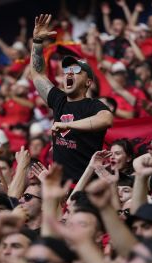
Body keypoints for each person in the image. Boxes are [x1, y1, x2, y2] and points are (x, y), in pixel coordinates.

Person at [29, 14, 113, 182]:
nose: (68, 74)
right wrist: (37, 43)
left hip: (86, 186)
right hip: (61, 187)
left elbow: (106, 119)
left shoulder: (92, 106)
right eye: (66, 71)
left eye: (75, 71)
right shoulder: (58, 100)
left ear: (88, 82)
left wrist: (67, 125)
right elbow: (37, 74)